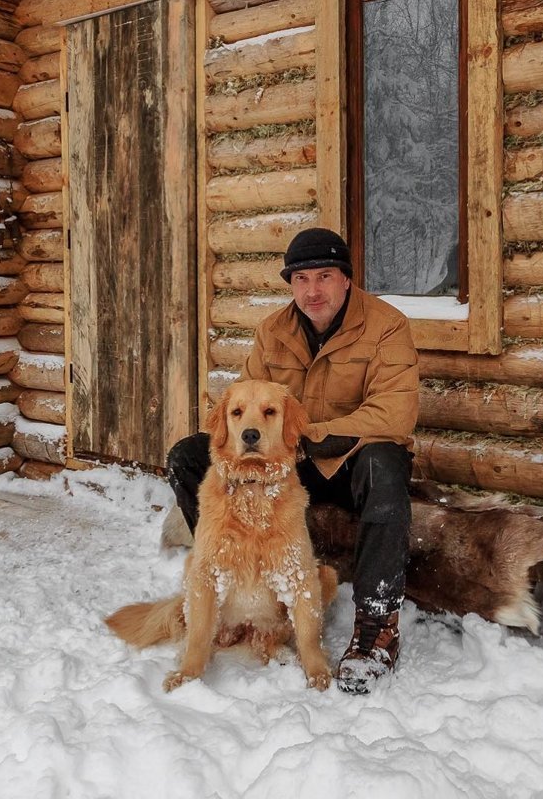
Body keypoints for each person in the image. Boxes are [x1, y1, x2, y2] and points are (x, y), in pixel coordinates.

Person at [165, 227, 419, 694]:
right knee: (186, 456)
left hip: (350, 459)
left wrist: (309, 434)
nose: (313, 290)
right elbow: (247, 403)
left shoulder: (387, 326)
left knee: (385, 463)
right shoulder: (273, 332)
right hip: (292, 462)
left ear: (346, 279)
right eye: (301, 279)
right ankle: (228, 566)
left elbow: (396, 411)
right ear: (291, 285)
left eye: (324, 276)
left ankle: (376, 626)